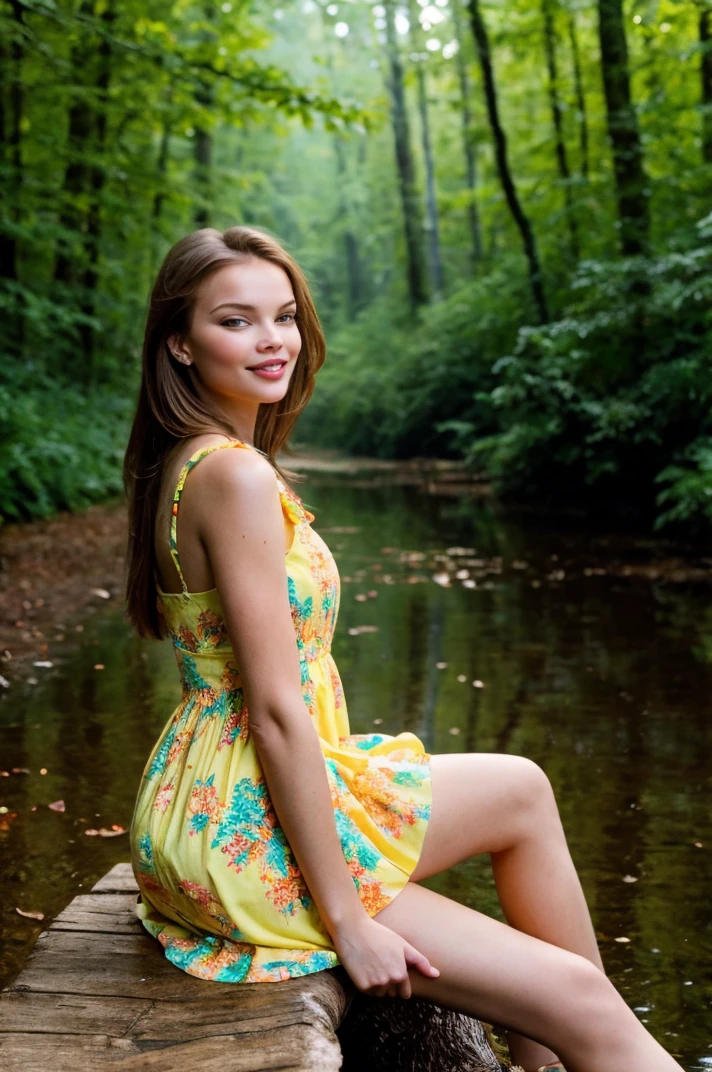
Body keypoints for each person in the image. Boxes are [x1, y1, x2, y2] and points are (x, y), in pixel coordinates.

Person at [123, 225, 684, 1072]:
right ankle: (584, 1036)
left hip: (203, 799)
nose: (272, 341)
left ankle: (558, 1055)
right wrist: (350, 922)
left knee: (522, 792)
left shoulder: (196, 461)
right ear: (179, 340)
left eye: (284, 317)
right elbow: (275, 711)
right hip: (243, 829)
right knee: (585, 999)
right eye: (236, 321)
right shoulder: (232, 476)